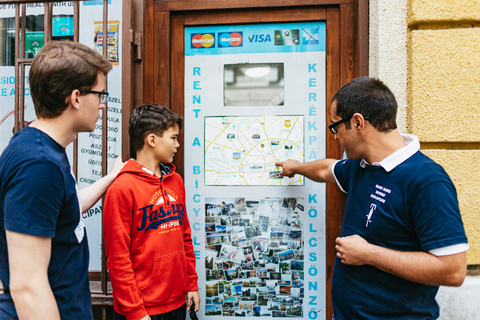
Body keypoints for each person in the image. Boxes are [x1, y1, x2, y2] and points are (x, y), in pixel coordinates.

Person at [276, 77, 468, 319]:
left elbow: (453, 271)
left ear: (357, 123)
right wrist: (296, 167)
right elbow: (327, 169)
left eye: (336, 127)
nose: (335, 136)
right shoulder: (362, 167)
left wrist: (368, 254)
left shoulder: (426, 181)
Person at [0, 41, 124, 319]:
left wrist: (110, 179)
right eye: (100, 94)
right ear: (76, 97)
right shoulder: (38, 164)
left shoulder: (42, 149)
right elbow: (28, 286)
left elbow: (61, 211)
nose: (103, 105)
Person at [103, 104, 200, 320]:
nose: (178, 144)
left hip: (176, 302)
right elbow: (118, 258)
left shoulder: (176, 181)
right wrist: (136, 311)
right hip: (141, 310)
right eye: (173, 138)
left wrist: (191, 284)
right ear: (152, 140)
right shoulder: (122, 189)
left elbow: (184, 236)